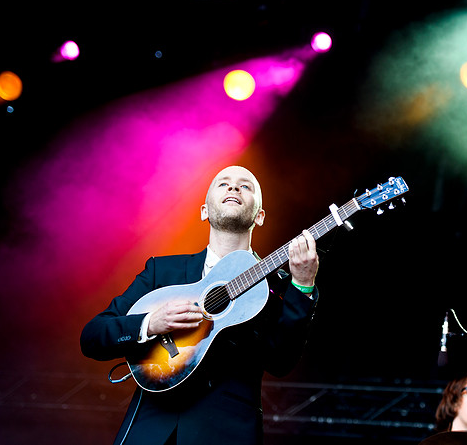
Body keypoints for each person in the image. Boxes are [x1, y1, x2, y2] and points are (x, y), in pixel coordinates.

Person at [80, 165, 319, 445]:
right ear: (205, 211)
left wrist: (302, 285)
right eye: (223, 184)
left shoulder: (276, 285)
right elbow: (93, 336)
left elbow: (281, 362)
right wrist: (150, 323)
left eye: (246, 186)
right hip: (149, 430)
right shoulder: (162, 271)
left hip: (226, 433)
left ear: (260, 216)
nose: (234, 188)